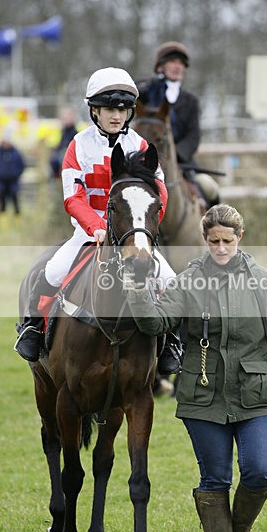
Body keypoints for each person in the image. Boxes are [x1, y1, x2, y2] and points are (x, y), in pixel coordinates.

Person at [126, 203, 267, 532]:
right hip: (203, 396)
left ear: (240, 238)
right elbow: (156, 323)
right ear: (205, 240)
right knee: (216, 479)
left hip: (257, 394)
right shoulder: (189, 280)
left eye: (228, 240)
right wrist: (137, 290)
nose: (222, 248)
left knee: (259, 472)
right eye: (214, 241)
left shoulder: (263, 282)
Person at [14, 67, 181, 372]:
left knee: (169, 281)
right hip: (88, 233)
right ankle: (34, 329)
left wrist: (140, 231)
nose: (116, 116)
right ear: (94, 111)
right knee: (52, 271)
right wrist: (96, 227)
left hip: (132, 234)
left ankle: (171, 341)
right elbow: (72, 197)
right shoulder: (78, 145)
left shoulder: (141, 147)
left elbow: (159, 194)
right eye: (108, 109)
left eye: (122, 109)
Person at [137, 41, 219, 207]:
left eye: (181, 63)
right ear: (160, 67)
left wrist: (174, 155)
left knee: (210, 187)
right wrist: (148, 86)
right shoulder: (146, 93)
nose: (178, 66)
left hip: (180, 162)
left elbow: (193, 137)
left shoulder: (190, 101)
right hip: (144, 160)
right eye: (172, 62)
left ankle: (213, 230)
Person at [0, 132, 25, 227]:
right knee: (2, 202)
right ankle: (3, 224)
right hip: (1, 182)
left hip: (13, 181)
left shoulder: (15, 152)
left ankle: (18, 222)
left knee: (15, 201)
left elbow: (21, 165)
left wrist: (16, 174)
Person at [50, 107, 78, 179]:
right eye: (64, 118)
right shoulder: (62, 132)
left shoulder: (75, 133)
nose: (65, 119)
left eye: (67, 117)